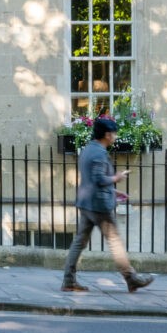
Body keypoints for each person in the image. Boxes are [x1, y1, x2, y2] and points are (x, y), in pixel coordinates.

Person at [61, 116, 154, 293]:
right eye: (114, 133)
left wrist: (114, 191)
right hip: (99, 206)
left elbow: (91, 179)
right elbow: (98, 178)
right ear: (107, 135)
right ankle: (131, 278)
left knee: (79, 242)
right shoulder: (99, 153)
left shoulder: (88, 149)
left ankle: (68, 280)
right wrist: (116, 178)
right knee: (115, 242)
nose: (116, 136)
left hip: (86, 202)